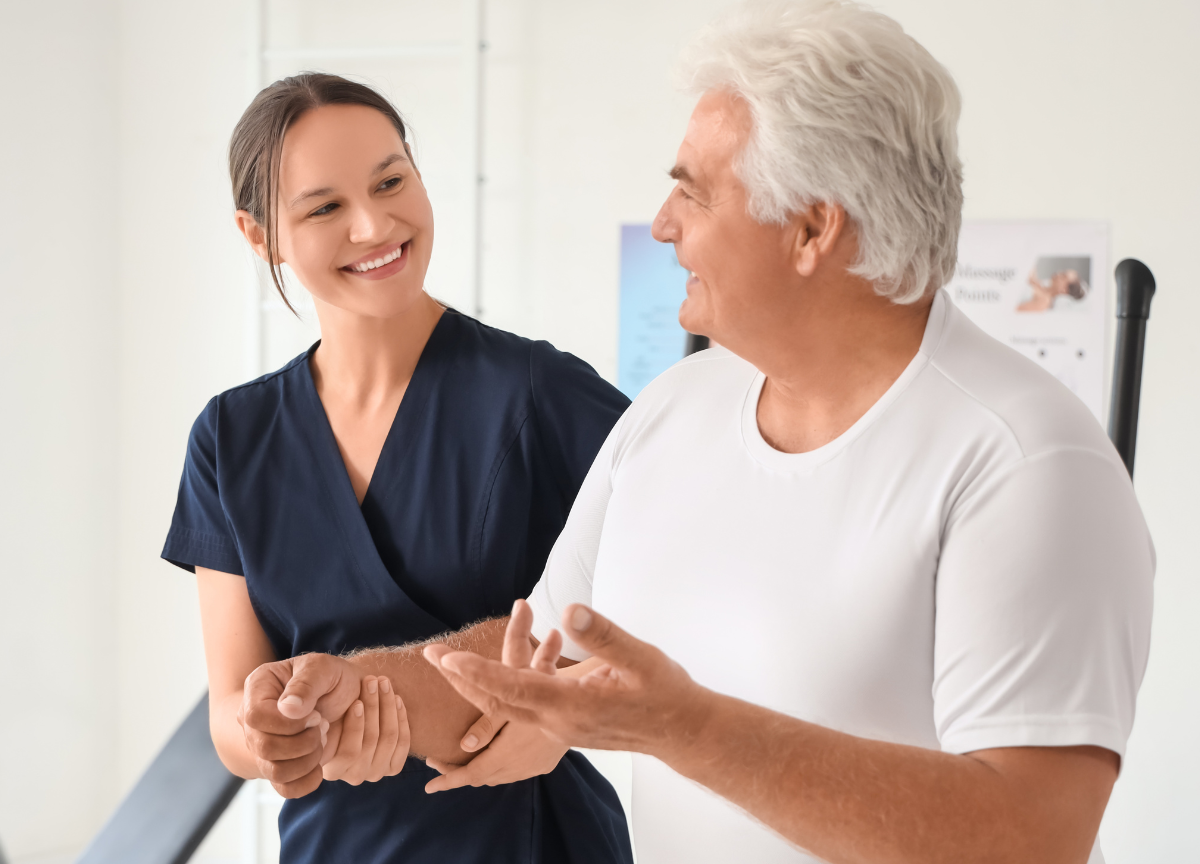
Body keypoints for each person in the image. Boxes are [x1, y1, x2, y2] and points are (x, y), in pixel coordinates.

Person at [418, 2, 1155, 863]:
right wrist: (340, 694)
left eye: (692, 190)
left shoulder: (1026, 463)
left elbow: (1031, 837)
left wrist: (687, 729)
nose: (664, 223)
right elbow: (537, 661)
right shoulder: (673, 408)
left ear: (813, 227)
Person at [162, 73, 632, 863]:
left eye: (391, 181)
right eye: (324, 208)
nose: (376, 224)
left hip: (530, 839)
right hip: (335, 844)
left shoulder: (540, 395)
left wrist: (555, 720)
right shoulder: (231, 438)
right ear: (259, 235)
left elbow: (671, 599)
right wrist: (280, 736)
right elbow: (231, 717)